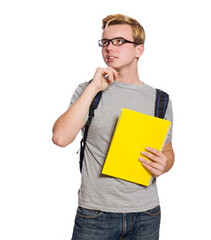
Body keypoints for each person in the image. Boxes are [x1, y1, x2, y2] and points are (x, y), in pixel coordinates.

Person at [52, 14, 174, 240]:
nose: (110, 48)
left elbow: (167, 149)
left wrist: (165, 164)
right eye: (105, 42)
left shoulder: (160, 99)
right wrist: (94, 87)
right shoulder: (88, 91)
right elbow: (60, 137)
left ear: (139, 50)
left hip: (146, 213)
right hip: (95, 214)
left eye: (119, 41)